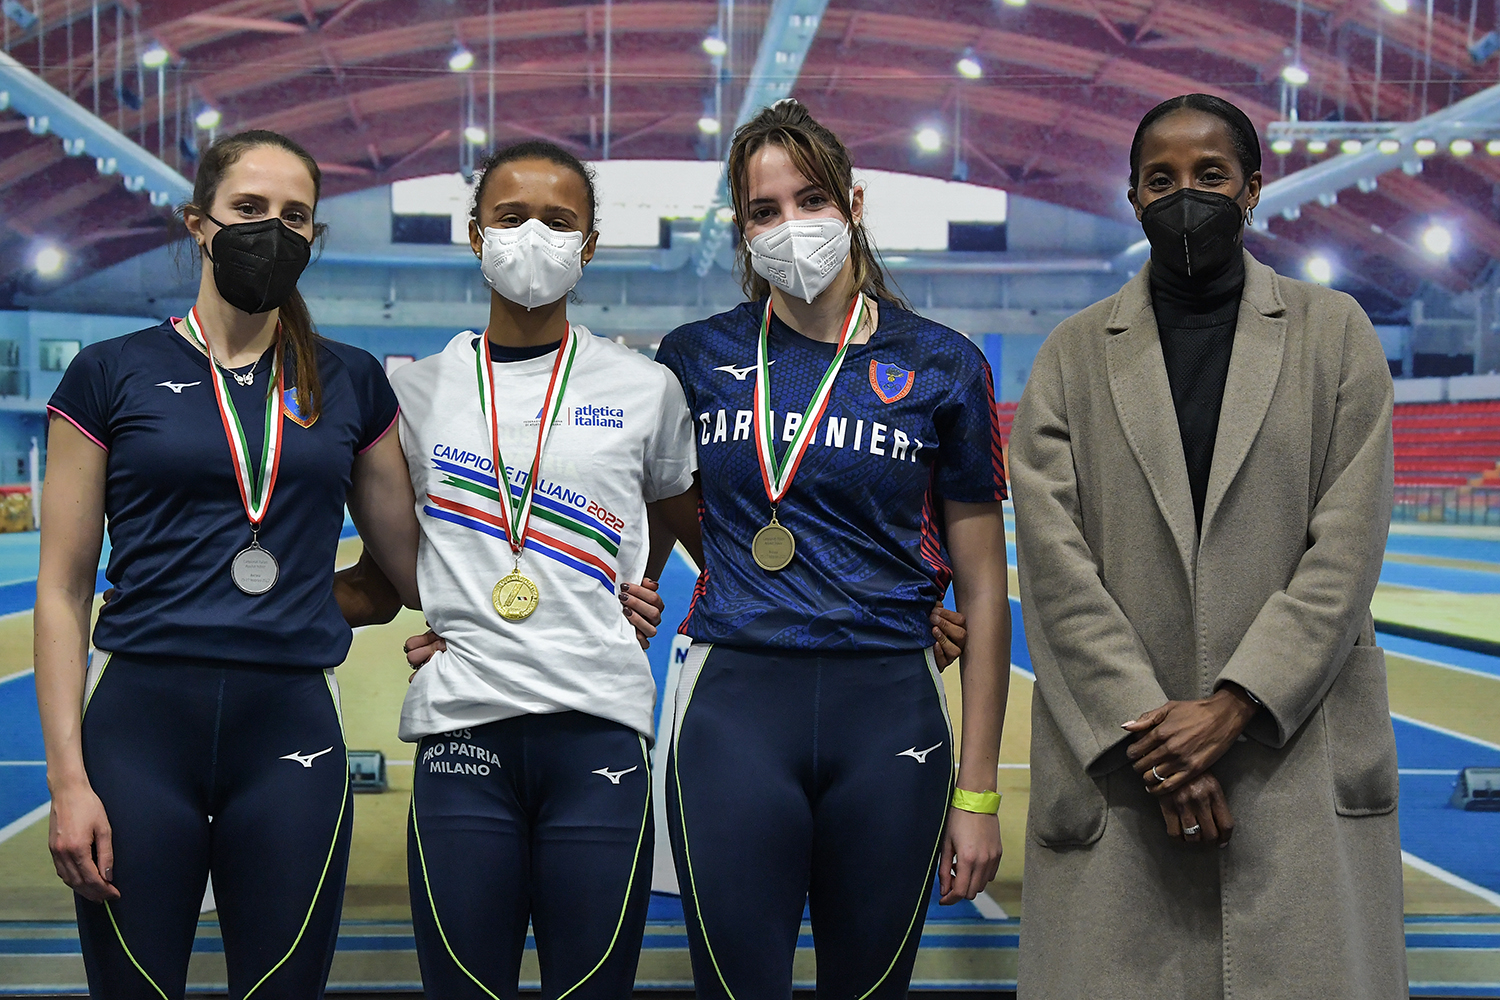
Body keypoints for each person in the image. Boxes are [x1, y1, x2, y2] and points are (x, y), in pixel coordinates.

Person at [1009, 93, 1404, 999]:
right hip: (1124, 774)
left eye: (1210, 174)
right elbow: (1056, 569)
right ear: (1134, 198)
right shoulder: (1072, 355)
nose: (1186, 195)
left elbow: (1346, 551)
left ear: (1253, 189)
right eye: (1162, 180)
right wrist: (1158, 743)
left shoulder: (1334, 334)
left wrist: (1235, 705)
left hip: (1290, 757)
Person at [35, 130, 421, 998]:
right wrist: (68, 781)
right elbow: (61, 590)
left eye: (295, 216)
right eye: (249, 208)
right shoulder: (110, 371)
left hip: (289, 728)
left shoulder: (351, 381)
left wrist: (583, 587)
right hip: (137, 733)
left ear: (314, 236)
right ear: (197, 223)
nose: (272, 231)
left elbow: (413, 573)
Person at [652, 99, 1012, 1000]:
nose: (790, 224)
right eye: (764, 210)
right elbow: (662, 515)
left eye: (810, 199)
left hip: (890, 711)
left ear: (852, 204)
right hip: (734, 708)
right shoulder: (693, 357)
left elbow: (982, 588)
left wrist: (977, 794)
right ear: (743, 230)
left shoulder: (944, 364)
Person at [379, 139, 701, 1000]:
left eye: (559, 222)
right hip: (462, 727)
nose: (533, 236)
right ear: (474, 233)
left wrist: (636, 584)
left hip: (599, 729)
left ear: (588, 245)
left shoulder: (645, 389)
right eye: (510, 216)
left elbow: (700, 536)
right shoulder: (415, 395)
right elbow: (387, 565)